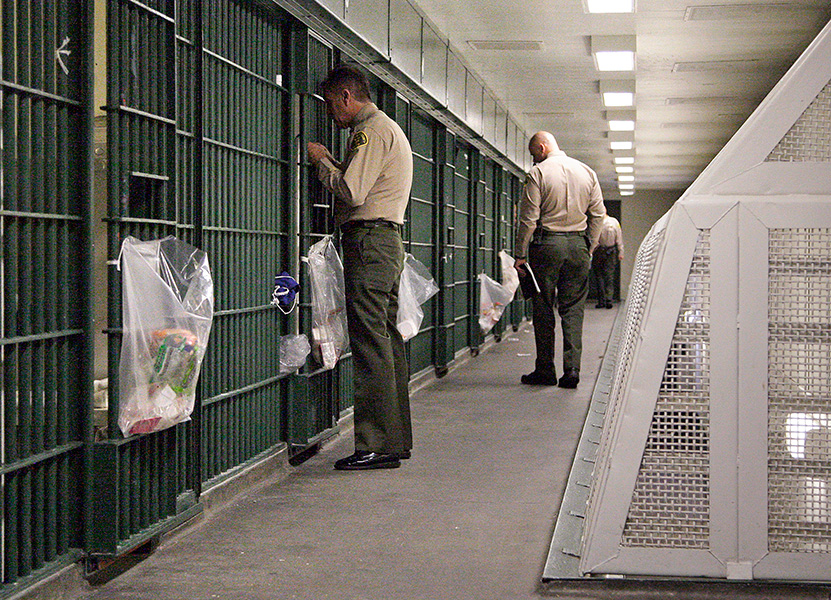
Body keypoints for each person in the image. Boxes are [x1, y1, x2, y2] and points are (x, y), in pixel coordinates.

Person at [307, 65, 413, 470]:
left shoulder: (369, 132)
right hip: (384, 243)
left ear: (347, 97)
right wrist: (336, 161)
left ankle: (374, 444)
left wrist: (321, 162)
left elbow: (352, 190)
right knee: (387, 342)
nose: (332, 112)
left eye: (332, 104)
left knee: (369, 343)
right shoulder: (389, 130)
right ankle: (394, 440)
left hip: (369, 243)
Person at [514, 131, 606, 389]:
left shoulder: (538, 173)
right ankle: (572, 371)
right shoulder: (587, 172)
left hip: (547, 245)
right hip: (578, 244)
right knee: (574, 309)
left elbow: (529, 219)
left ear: (541, 148)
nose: (534, 160)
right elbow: (598, 214)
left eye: (534, 155)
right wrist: (589, 245)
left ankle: (545, 370)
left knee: (543, 308)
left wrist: (520, 254)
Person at [590, 214, 624, 309]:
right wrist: (621, 251)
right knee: (609, 276)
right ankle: (608, 299)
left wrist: (591, 251)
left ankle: (602, 301)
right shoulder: (614, 222)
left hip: (600, 251)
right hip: (610, 251)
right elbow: (619, 238)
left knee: (599, 276)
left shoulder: (598, 223)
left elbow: (595, 240)